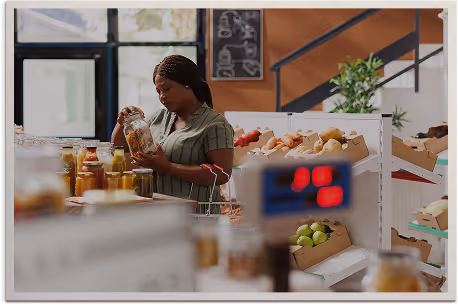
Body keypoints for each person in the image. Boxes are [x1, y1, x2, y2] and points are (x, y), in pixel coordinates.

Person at [112, 55, 234, 209]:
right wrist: (123, 123)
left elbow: (222, 173)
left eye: (167, 89)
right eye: (158, 91)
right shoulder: (158, 117)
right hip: (155, 215)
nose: (162, 96)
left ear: (188, 84)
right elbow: (118, 152)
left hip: (196, 218)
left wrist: (169, 168)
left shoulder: (215, 125)